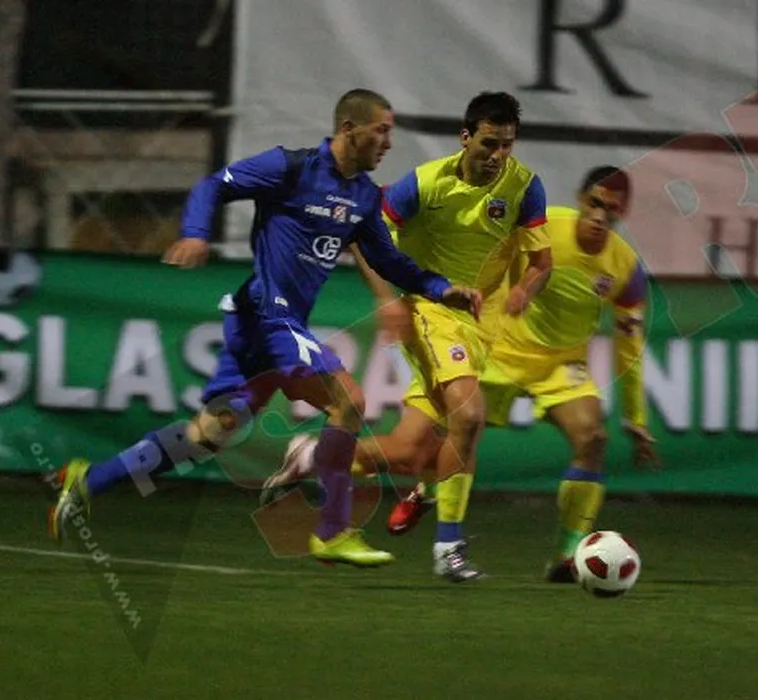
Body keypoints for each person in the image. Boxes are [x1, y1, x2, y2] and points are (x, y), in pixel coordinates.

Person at [46, 88, 481, 568]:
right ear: (349, 129)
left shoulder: (362, 197)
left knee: (208, 434)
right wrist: (196, 233)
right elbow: (214, 184)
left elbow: (390, 261)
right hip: (269, 316)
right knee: (349, 400)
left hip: (262, 324)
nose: (388, 143)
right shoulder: (290, 167)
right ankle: (333, 531)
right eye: (381, 131)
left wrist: (441, 289)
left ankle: (89, 479)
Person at [263, 166, 658, 580]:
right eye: (595, 204)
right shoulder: (541, 224)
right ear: (580, 198)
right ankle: (322, 459)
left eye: (612, 211)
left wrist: (636, 418)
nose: (600, 217)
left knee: (593, 437)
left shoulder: (625, 268)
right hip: (493, 348)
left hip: (559, 365)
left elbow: (629, 340)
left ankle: (562, 555)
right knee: (409, 451)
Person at [265, 92, 551, 582]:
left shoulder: (524, 186)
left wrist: (525, 289)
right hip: (432, 311)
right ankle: (449, 548)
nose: (498, 155)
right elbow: (361, 235)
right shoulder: (425, 183)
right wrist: (388, 300)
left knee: (411, 450)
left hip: (482, 326)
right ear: (466, 138)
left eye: (507, 145)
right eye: (489, 143)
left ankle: (312, 455)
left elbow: (542, 263)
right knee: (469, 414)